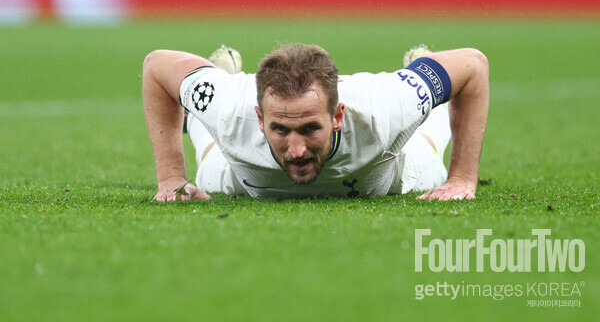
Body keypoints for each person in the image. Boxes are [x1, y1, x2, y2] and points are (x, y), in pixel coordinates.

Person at [142, 43, 488, 202]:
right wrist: (172, 177)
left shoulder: (384, 106)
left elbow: (472, 66)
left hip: (392, 178)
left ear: (337, 116)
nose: (296, 150)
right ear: (261, 118)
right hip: (241, 180)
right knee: (210, 155)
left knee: (426, 145)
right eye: (281, 129)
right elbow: (157, 65)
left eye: (310, 128)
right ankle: (214, 90)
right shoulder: (231, 105)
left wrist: (461, 178)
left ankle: (423, 78)